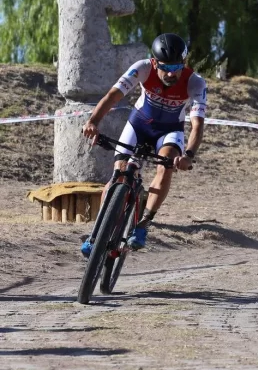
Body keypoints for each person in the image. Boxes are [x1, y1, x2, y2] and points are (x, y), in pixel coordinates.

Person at [80, 33, 207, 255]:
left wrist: (188, 155)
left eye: (177, 66)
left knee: (166, 166)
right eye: (165, 67)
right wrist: (93, 122)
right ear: (155, 62)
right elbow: (112, 96)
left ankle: (142, 225)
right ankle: (98, 233)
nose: (171, 73)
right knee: (117, 174)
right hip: (139, 125)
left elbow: (197, 125)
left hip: (168, 132)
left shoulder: (195, 82)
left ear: (184, 63)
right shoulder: (142, 68)